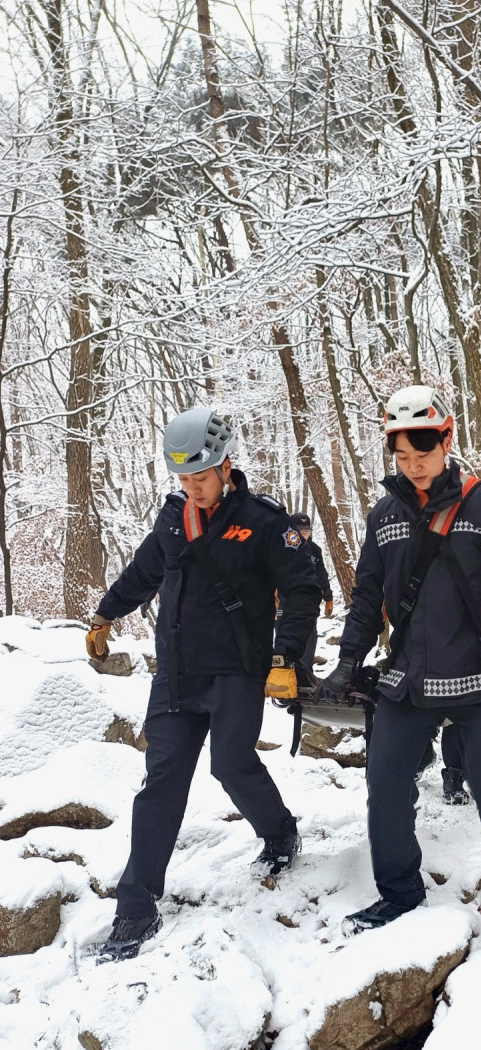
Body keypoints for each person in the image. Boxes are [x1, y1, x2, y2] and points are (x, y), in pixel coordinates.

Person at [320, 384, 481, 962]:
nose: (413, 464)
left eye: (423, 451)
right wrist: (349, 660)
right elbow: (367, 595)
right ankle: (399, 894)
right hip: (408, 675)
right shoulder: (384, 515)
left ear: (447, 439)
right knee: (384, 782)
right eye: (401, 455)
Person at [85, 408, 320, 962]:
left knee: (230, 765)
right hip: (176, 675)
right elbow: (142, 574)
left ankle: (280, 831)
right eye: (184, 480)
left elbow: (302, 588)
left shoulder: (264, 522)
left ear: (225, 466)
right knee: (161, 782)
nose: (193, 489)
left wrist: (285, 656)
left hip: (237, 671)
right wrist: (104, 615)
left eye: (201, 477)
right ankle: (135, 909)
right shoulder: (172, 521)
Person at [277, 512, 334, 675]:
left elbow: (321, 574)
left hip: (308, 601)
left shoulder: (314, 550)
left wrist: (328, 597)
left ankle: (306, 671)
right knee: (284, 635)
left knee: (309, 635)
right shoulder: (280, 547)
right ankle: (284, 671)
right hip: (284, 601)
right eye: (300, 530)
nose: (304, 533)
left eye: (307, 530)